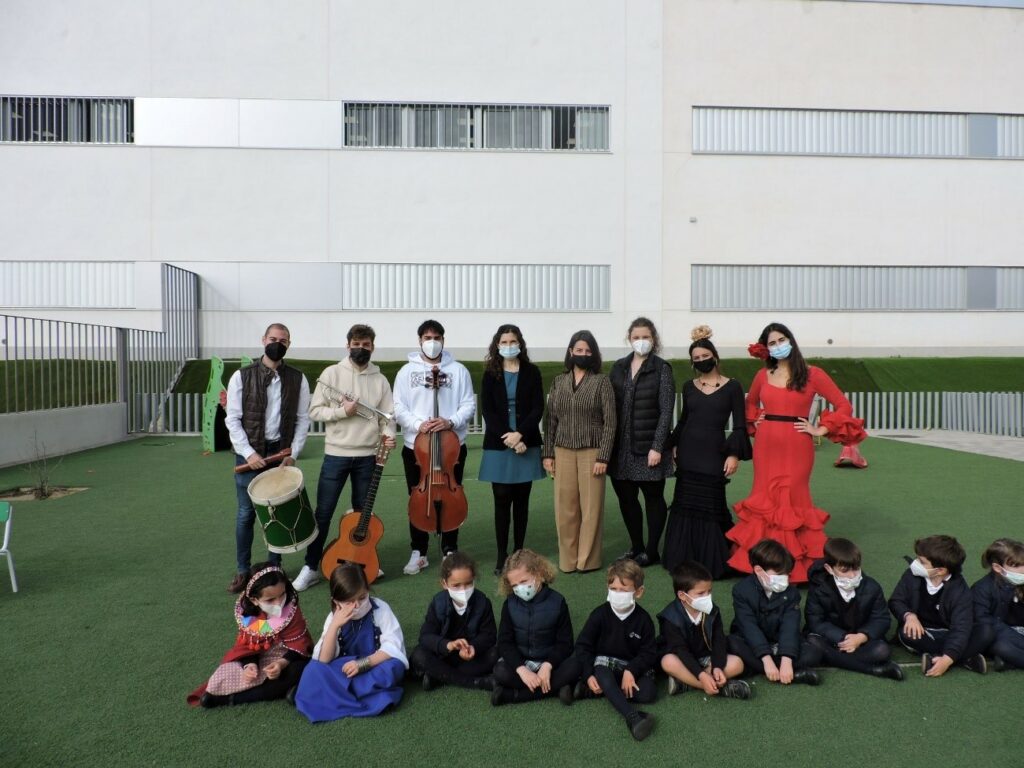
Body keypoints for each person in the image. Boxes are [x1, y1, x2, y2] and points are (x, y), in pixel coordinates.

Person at [727, 322, 866, 583]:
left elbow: (843, 404)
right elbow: (749, 403)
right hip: (766, 444)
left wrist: (821, 429)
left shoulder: (814, 374)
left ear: (791, 340)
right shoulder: (762, 375)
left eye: (782, 340)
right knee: (765, 498)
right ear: (766, 348)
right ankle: (762, 562)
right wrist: (755, 419)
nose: (778, 345)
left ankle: (796, 566)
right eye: (772, 343)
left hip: (798, 445)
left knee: (793, 497)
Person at [293, 324, 396, 591]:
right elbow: (315, 411)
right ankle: (311, 566)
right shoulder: (331, 374)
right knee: (323, 513)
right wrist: (342, 411)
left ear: (372, 346)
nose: (361, 349)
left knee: (363, 515)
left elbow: (388, 416)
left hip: (368, 456)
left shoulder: (380, 379)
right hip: (336, 454)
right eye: (356, 343)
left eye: (366, 345)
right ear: (348, 344)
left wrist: (389, 434)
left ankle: (361, 560)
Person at [225, 323, 311, 593]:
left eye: (283, 340)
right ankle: (242, 570)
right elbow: (233, 419)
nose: (277, 343)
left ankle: (275, 568)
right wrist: (249, 453)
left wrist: (293, 454)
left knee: (277, 513)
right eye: (273, 339)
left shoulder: (298, 378)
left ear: (289, 344)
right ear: (263, 340)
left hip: (280, 454)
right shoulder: (242, 376)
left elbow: (302, 420)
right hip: (249, 454)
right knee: (246, 514)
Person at [662, 326, 751, 578]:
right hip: (688, 454)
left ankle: (712, 560)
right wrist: (674, 444)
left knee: (711, 505)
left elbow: (740, 424)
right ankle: (683, 559)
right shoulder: (689, 386)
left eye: (705, 356)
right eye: (696, 359)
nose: (701, 361)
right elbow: (683, 421)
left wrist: (733, 454)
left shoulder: (733, 387)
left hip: (714, 455)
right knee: (684, 504)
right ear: (692, 363)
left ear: (715, 356)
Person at [393, 319, 476, 574]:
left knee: (452, 496)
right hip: (417, 448)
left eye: (436, 337)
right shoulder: (406, 372)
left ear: (443, 340)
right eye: (427, 337)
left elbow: (468, 404)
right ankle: (419, 551)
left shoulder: (459, 370)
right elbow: (398, 407)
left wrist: (450, 421)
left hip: (451, 446)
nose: (432, 342)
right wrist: (420, 425)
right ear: (419, 340)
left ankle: (450, 549)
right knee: (418, 497)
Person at [294, 563, 407, 722]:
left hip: (374, 663)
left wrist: (363, 664)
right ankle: (366, 699)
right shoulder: (333, 617)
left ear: (367, 590)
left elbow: (393, 647)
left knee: (394, 667)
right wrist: (335, 626)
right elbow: (324, 660)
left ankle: (330, 696)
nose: (357, 605)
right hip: (345, 670)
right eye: (348, 601)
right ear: (336, 601)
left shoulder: (380, 608)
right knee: (313, 670)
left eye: (362, 597)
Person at [542, 331, 617, 573]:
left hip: (592, 452)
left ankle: (588, 561)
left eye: (588, 350)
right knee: (565, 509)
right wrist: (548, 454)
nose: (583, 354)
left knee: (591, 509)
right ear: (570, 351)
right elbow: (550, 420)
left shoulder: (601, 382)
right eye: (579, 350)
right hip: (562, 450)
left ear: (593, 354)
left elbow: (611, 422)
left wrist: (603, 456)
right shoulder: (558, 381)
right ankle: (568, 560)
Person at [188, 563, 312, 707]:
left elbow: (301, 644)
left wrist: (281, 663)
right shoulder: (250, 616)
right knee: (223, 673)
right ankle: (282, 688)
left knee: (301, 669)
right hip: (258, 656)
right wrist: (249, 665)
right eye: (270, 600)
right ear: (254, 600)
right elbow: (245, 646)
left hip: (286, 657)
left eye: (282, 594)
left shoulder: (291, 609)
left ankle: (230, 699)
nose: (279, 603)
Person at [478, 325, 545, 576]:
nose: (509, 345)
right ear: (497, 345)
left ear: (520, 343)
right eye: (504, 341)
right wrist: (510, 438)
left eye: (513, 341)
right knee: (502, 500)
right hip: (500, 444)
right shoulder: (490, 373)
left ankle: (519, 553)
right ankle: (502, 556)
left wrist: (521, 435)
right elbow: (488, 411)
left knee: (522, 502)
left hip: (526, 442)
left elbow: (537, 407)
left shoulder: (532, 372)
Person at [608, 318, 674, 567]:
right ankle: (636, 546)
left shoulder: (661, 368)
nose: (641, 341)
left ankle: (651, 549)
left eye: (645, 336)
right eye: (636, 336)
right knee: (627, 499)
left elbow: (666, 410)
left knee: (653, 498)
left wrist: (657, 446)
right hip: (621, 449)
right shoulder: (619, 367)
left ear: (654, 339)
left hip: (648, 448)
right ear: (629, 338)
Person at [574, 559, 659, 741]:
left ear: (639, 592)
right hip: (604, 667)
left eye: (624, 590)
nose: (617, 594)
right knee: (602, 672)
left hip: (630, 668)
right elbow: (583, 646)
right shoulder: (599, 615)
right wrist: (589, 674)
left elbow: (649, 652)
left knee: (648, 693)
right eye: (613, 589)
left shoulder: (644, 620)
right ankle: (633, 717)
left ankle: (588, 691)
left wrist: (631, 670)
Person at [804, 538, 903, 680]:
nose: (852, 575)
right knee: (813, 642)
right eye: (844, 571)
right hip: (831, 639)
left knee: (882, 650)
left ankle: (834, 658)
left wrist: (861, 637)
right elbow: (815, 622)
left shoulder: (872, 586)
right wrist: (843, 638)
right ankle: (872, 670)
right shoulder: (819, 588)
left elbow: (881, 619)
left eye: (856, 569)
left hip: (860, 639)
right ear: (829, 569)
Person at [888, 535, 987, 677]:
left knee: (986, 631)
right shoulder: (911, 574)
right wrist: (909, 615)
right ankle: (964, 658)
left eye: (921, 562)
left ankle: (938, 659)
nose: (915, 563)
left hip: (948, 633)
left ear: (940, 570)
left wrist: (947, 660)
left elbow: (961, 628)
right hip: (922, 632)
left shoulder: (960, 591)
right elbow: (896, 600)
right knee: (906, 633)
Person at [491, 549, 581, 706]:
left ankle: (513, 696)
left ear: (539, 573)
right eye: (515, 585)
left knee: (576, 665)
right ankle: (557, 689)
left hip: (550, 664)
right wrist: (521, 669)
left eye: (524, 581)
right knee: (500, 671)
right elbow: (504, 643)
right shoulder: (510, 604)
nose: (520, 588)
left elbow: (565, 643)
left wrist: (548, 665)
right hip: (522, 662)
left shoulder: (558, 601)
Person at [727, 539, 822, 686]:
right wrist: (766, 658)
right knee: (732, 643)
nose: (784, 579)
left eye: (787, 574)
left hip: (779, 642)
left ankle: (761, 670)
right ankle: (792, 674)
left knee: (814, 652)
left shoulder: (792, 593)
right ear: (759, 570)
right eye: (779, 574)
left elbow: (790, 627)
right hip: (750, 641)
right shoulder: (741, 591)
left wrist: (786, 659)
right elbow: (748, 626)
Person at [659, 560, 751, 699]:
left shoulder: (712, 610)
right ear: (682, 596)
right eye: (701, 593)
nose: (707, 597)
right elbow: (681, 651)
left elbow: (719, 640)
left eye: (709, 591)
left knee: (737, 664)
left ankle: (686, 684)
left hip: (707, 659)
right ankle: (718, 688)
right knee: (667, 661)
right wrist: (701, 675)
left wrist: (717, 667)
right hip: (683, 660)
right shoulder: (670, 617)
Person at [410, 551, 498, 691]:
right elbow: (425, 636)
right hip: (444, 655)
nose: (463, 590)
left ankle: (438, 676)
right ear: (444, 583)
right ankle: (476, 682)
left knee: (495, 654)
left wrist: (473, 647)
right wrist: (448, 645)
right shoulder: (438, 603)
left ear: (474, 579)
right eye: (456, 585)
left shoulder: (482, 602)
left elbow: (490, 635)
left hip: (469, 657)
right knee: (419, 655)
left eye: (468, 583)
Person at [972, 538, 1024, 671]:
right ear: (997, 567)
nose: (1022, 569)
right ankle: (1010, 659)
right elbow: (982, 620)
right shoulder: (982, 588)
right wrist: (1015, 636)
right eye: (1016, 565)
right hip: (1000, 635)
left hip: (1019, 630)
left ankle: (1008, 662)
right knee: (1002, 647)